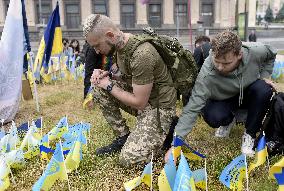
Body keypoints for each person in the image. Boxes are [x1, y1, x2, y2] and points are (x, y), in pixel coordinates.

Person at [165, 31, 276, 161]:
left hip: (247, 92)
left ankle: (249, 135)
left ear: (239, 54)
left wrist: (265, 76)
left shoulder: (255, 51)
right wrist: (175, 144)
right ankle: (227, 121)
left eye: (226, 63)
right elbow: (192, 108)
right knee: (214, 117)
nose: (220, 67)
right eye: (216, 61)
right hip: (223, 99)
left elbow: (271, 53)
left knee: (264, 89)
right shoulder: (207, 73)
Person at [83, 14, 177, 166]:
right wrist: (108, 76)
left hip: (159, 107)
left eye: (97, 45)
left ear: (110, 35)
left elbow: (139, 103)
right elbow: (129, 76)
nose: (97, 51)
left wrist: (109, 84)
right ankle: (124, 137)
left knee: (129, 160)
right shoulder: (120, 46)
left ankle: (169, 128)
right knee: (99, 87)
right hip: (146, 100)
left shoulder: (142, 54)